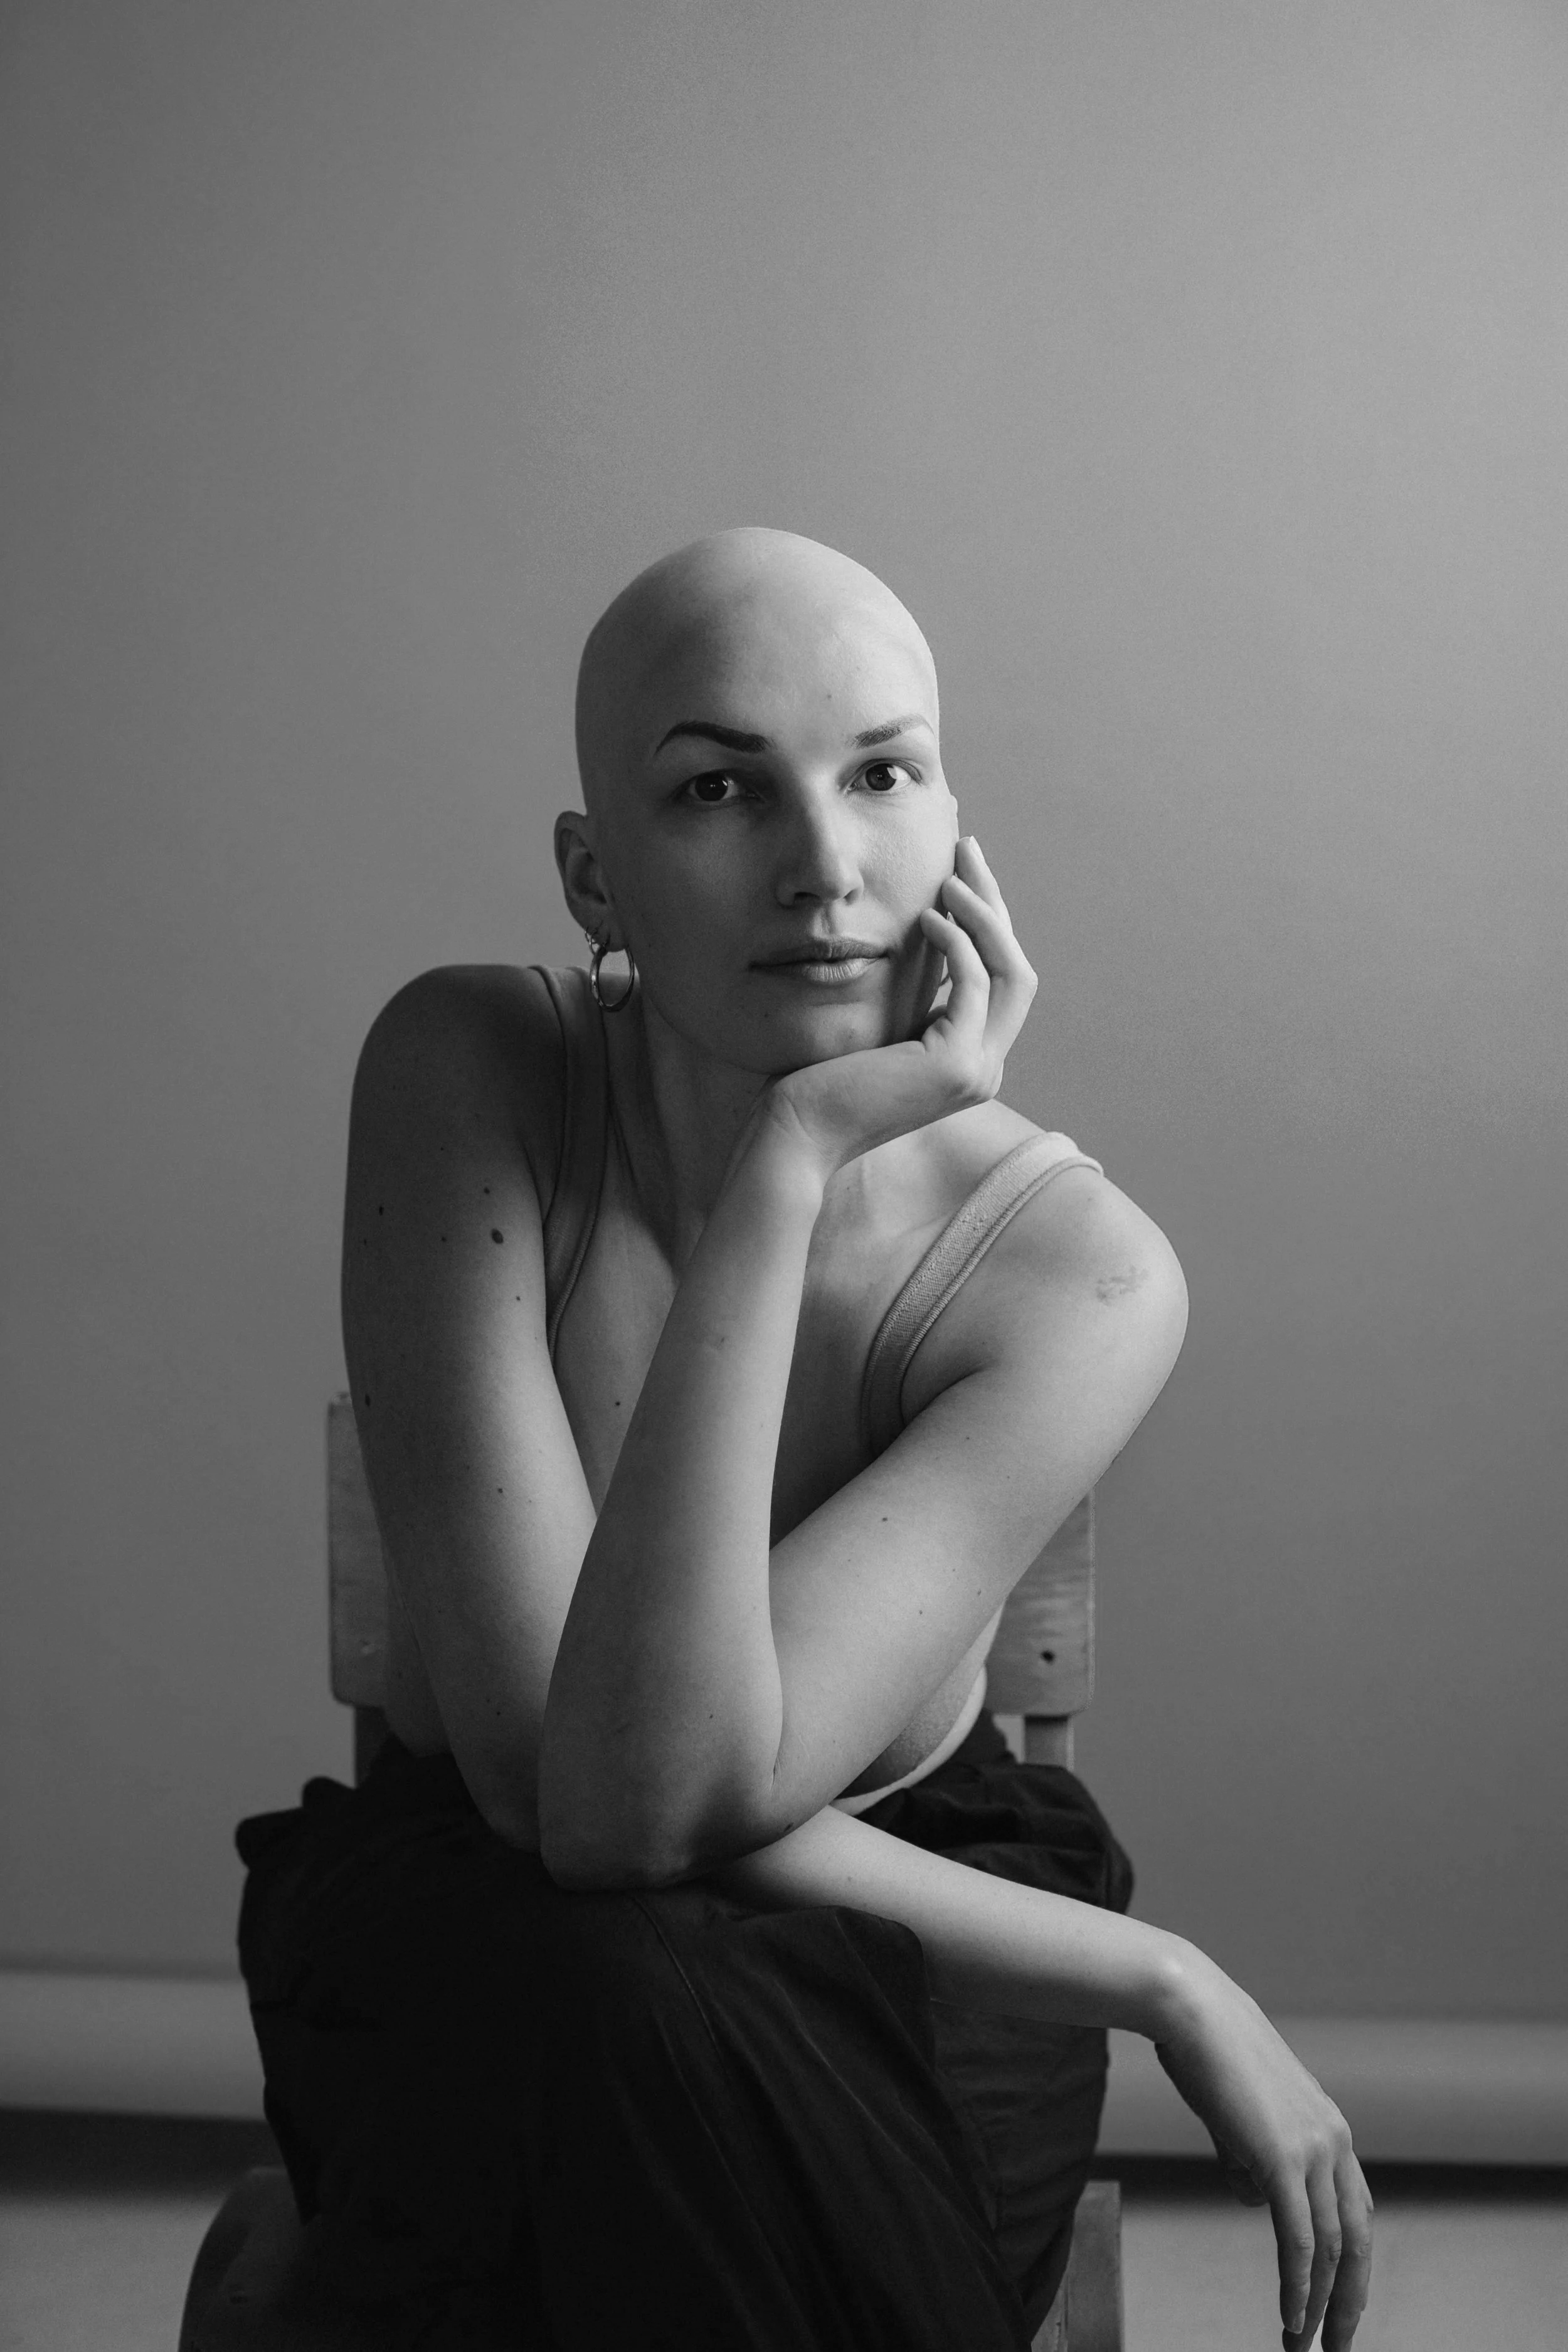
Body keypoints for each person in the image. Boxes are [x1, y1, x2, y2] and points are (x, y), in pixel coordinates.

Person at [236, 527, 1372, 2350]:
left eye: (882, 774)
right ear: (594, 875)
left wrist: (798, 1154)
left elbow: (648, 1805)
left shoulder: (1080, 1275)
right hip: (488, 1913)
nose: (825, 869)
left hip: (928, 1925)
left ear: (952, 825)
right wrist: (1157, 1976)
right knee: (607, 1983)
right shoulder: (471, 1071)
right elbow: (588, 1805)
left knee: (618, 2045)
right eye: (715, 789)